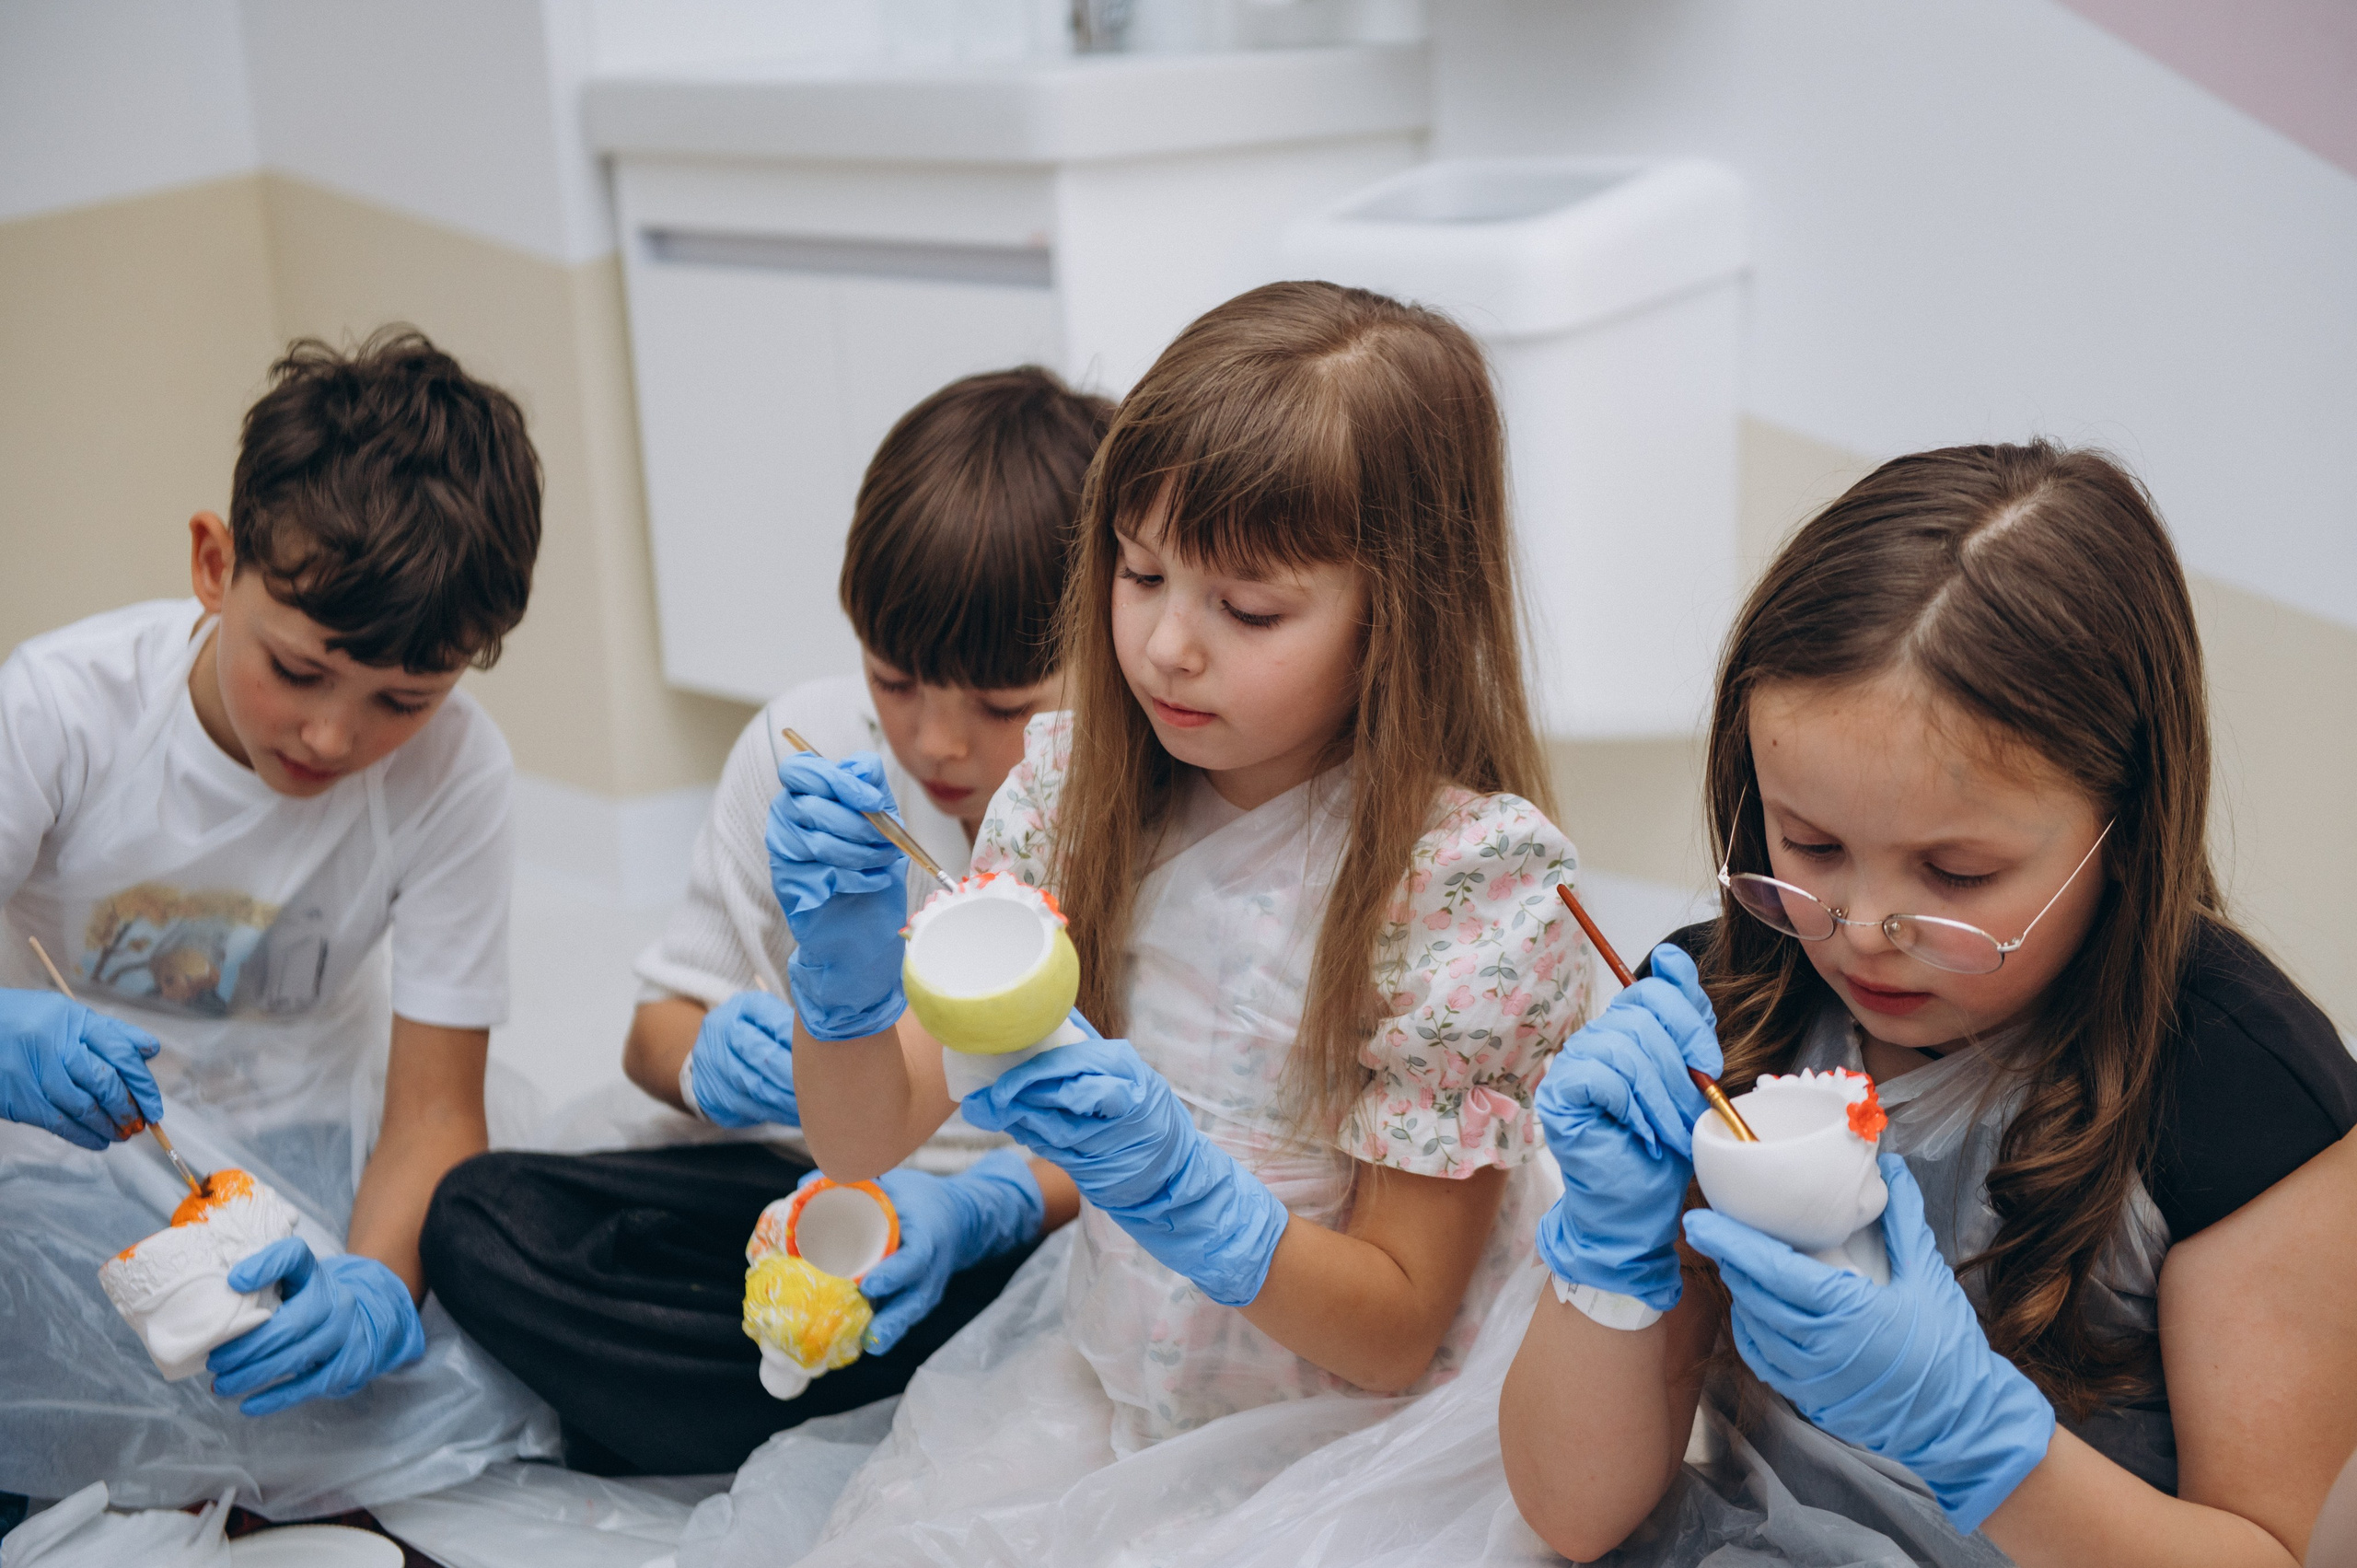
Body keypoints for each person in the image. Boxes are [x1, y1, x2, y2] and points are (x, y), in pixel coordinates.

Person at [714, 281, 1593, 1562]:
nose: (1168, 644)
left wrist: (1192, 1196)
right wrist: (842, 981)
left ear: (1400, 612)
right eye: (1139, 572)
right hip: (1114, 1390)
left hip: (1348, 1438)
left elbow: (1398, 1327)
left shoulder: (1462, 890)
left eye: (1248, 609)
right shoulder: (1075, 795)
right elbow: (864, 1131)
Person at [1501, 443, 2357, 1565]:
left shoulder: (2239, 1092)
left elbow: (2271, 1550)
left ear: (2126, 828)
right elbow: (1573, 1513)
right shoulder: (1729, 1012)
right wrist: (1607, 1264)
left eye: (1953, 876)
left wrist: (1976, 1439)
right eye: (1808, 842)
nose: (1861, 928)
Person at [423, 367, 1110, 1476]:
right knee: (477, 1219)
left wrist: (985, 1203)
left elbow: (1174, 1117)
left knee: (1062, 1324)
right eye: (894, 682)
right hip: (789, 1186)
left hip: (1020, 1229)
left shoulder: (1121, 799)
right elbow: (656, 1033)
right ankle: (829, 1404)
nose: (936, 746)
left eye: (1002, 705)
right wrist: (723, 1060)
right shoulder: (809, 750)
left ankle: (737, 1406)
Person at [0, 329, 556, 1514]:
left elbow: (434, 1109)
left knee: (478, 1358)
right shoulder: (61, 710)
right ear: (215, 562)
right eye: (298, 670)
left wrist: (375, 1287)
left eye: (404, 698)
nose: (333, 738)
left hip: (308, 1147)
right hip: (50, 1169)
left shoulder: (458, 773)